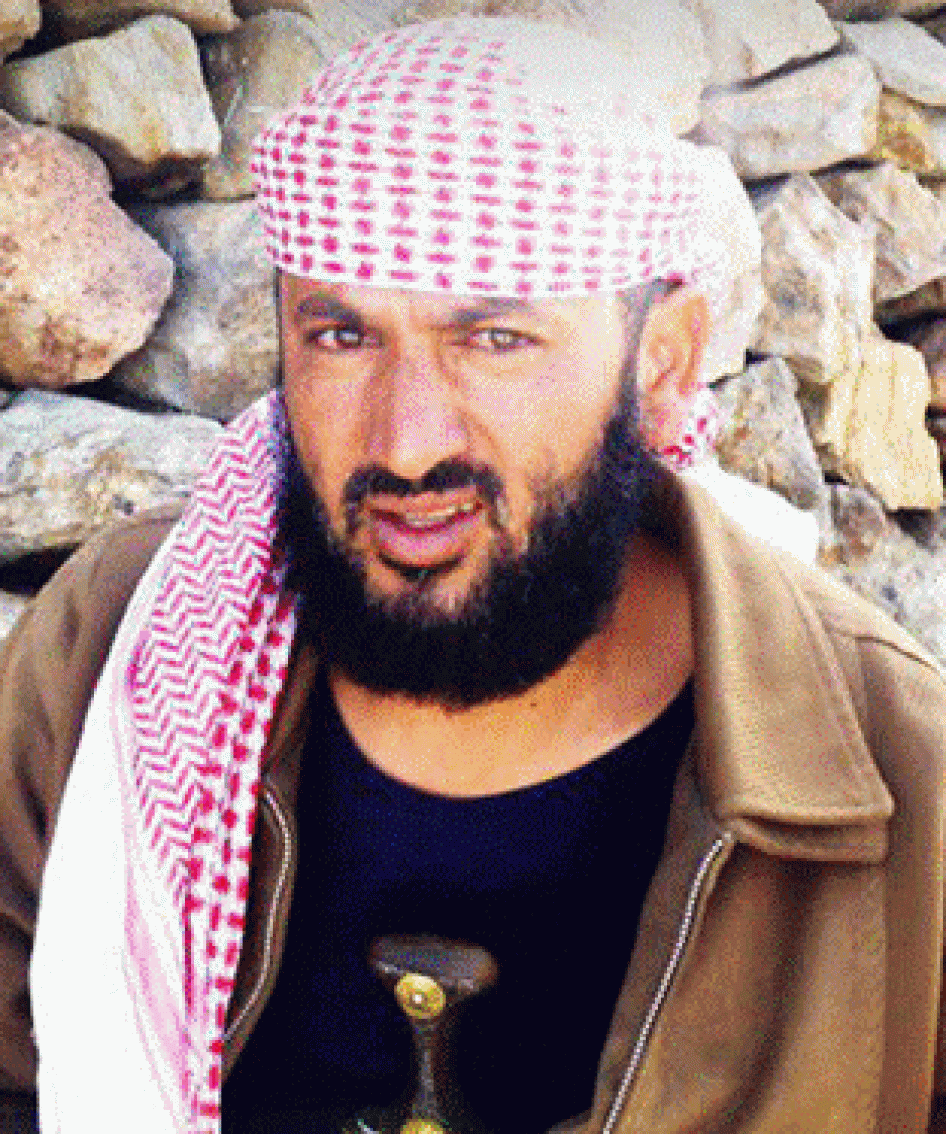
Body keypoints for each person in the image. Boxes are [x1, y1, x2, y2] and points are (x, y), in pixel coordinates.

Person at [0, 15, 944, 1134]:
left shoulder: (893, 767)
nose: (405, 445)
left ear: (664, 361)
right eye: (342, 337)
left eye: (495, 341)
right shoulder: (113, 651)